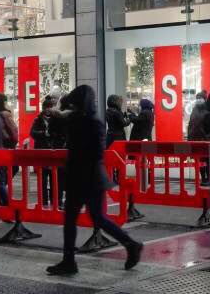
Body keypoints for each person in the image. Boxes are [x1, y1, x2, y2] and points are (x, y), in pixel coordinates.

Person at [46, 85, 143, 276]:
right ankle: (130, 244)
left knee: (83, 218)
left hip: (86, 177)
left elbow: (57, 122)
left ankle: (70, 261)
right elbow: (55, 122)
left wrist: (63, 104)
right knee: (91, 217)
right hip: (89, 177)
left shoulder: (82, 121)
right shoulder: (88, 120)